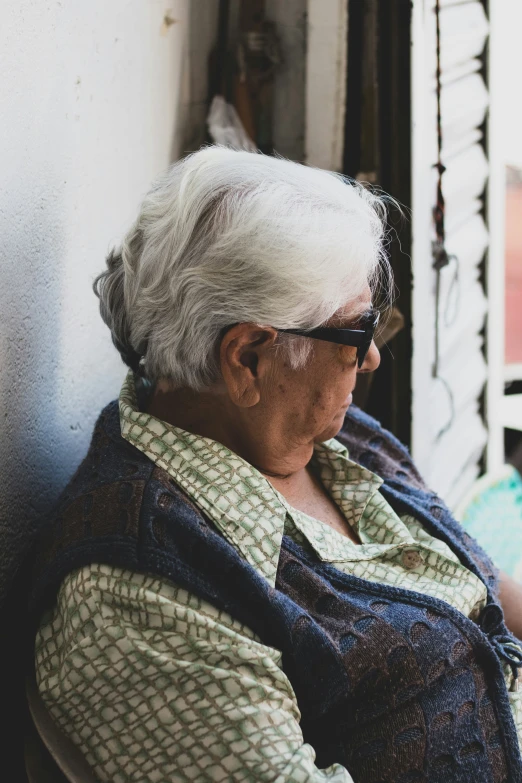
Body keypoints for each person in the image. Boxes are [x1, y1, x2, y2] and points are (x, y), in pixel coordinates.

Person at [32, 147, 522, 783]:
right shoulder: (139, 598)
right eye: (355, 331)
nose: (372, 356)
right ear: (247, 359)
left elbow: (475, 590)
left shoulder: (333, 437)